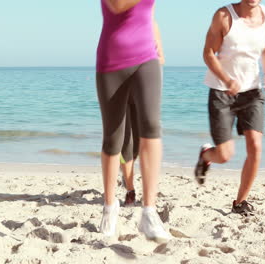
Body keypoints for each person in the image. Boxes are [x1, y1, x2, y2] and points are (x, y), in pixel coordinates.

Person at [96, 0, 171, 242]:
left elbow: (149, 15)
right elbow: (117, 5)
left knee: (151, 128)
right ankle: (110, 207)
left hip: (146, 59)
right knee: (113, 137)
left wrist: (159, 48)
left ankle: (149, 211)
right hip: (111, 61)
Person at [195, 0, 265, 216]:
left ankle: (240, 202)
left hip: (252, 91)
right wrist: (227, 79)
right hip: (222, 91)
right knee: (224, 155)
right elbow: (208, 53)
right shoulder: (224, 16)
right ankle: (205, 156)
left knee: (255, 146)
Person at [120, 19, 165, 207]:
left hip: (143, 92)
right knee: (126, 144)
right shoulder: (117, 22)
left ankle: (126, 175)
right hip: (120, 91)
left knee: (139, 145)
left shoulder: (151, 24)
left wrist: (148, 60)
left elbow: (161, 58)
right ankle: (130, 190)